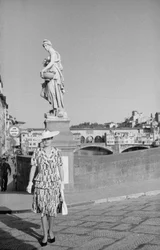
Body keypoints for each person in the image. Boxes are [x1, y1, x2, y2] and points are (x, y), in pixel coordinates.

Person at [26, 130, 65, 247]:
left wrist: (62, 182)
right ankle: (44, 235)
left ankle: (51, 231)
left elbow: (61, 168)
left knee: (52, 209)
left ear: (52, 139)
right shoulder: (37, 152)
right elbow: (33, 168)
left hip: (53, 183)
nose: (46, 141)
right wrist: (29, 183)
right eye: (44, 139)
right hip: (41, 183)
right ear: (42, 140)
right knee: (43, 210)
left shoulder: (57, 152)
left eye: (48, 139)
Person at [40, 39, 65, 117]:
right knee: (48, 92)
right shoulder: (50, 52)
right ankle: (55, 108)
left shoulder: (52, 51)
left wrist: (43, 70)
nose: (45, 48)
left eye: (45, 46)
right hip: (51, 74)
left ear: (48, 45)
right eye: (44, 47)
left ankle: (58, 109)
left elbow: (52, 62)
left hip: (54, 75)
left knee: (53, 91)